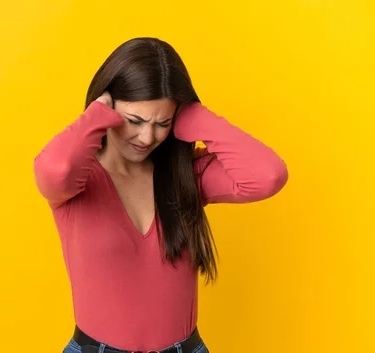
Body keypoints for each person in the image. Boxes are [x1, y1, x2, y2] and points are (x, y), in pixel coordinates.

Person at [33, 37, 288, 353]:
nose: (146, 137)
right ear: (109, 106)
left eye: (162, 123)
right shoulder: (77, 182)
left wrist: (197, 118)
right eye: (134, 121)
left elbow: (268, 176)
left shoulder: (185, 176)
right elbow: (55, 170)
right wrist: (96, 114)